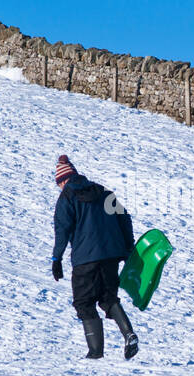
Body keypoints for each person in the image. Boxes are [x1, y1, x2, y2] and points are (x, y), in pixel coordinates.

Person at [50, 154, 139, 360]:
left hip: (85, 259)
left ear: (62, 181)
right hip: (111, 256)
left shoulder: (67, 197)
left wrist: (57, 259)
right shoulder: (102, 191)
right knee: (108, 298)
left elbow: (62, 230)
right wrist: (128, 248)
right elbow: (124, 218)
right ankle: (129, 334)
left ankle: (95, 353)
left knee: (84, 302)